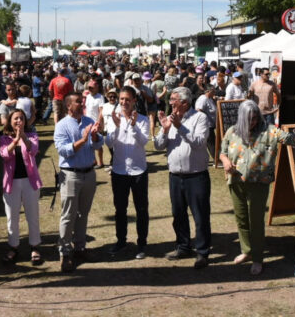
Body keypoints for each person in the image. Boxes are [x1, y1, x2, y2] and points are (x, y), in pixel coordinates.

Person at [220, 100, 295, 275]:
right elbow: (223, 151)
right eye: (249, 119)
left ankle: (258, 258)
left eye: (255, 118)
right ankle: (247, 251)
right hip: (236, 181)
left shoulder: (269, 131)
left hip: (259, 183)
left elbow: (289, 138)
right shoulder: (232, 131)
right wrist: (226, 161)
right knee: (241, 218)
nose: (253, 122)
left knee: (256, 221)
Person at [155, 87, 211, 269]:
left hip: (196, 176)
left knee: (200, 216)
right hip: (175, 176)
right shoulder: (170, 120)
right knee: (178, 214)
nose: (170, 103)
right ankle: (183, 246)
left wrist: (180, 126)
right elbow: (158, 146)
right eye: (170, 99)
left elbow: (199, 143)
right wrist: (164, 130)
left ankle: (202, 252)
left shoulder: (200, 118)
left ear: (185, 103)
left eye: (173, 99)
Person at [54, 92, 102, 272]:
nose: (81, 103)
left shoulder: (89, 121)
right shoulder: (61, 126)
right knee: (68, 215)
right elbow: (64, 150)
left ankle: (80, 247)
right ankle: (65, 251)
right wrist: (83, 139)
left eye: (81, 101)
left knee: (83, 213)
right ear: (68, 105)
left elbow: (98, 146)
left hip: (89, 173)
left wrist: (95, 137)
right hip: (71, 175)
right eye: (77, 102)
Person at [105, 87, 150, 260]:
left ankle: (142, 243)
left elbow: (144, 141)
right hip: (119, 170)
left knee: (141, 208)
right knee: (120, 208)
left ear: (133, 101)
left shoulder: (143, 119)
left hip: (138, 170)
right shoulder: (114, 118)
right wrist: (116, 127)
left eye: (127, 99)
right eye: (121, 99)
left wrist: (133, 126)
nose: (124, 102)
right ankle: (121, 241)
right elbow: (108, 142)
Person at [0, 109, 43, 265]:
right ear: (10, 121)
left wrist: (22, 136)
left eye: (21, 118)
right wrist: (14, 141)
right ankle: (13, 247)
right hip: (11, 183)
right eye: (16, 118)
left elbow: (34, 150)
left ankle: (35, 246)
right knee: (12, 217)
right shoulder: (4, 138)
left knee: (33, 215)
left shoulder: (32, 135)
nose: (19, 121)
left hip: (29, 182)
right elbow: (4, 155)